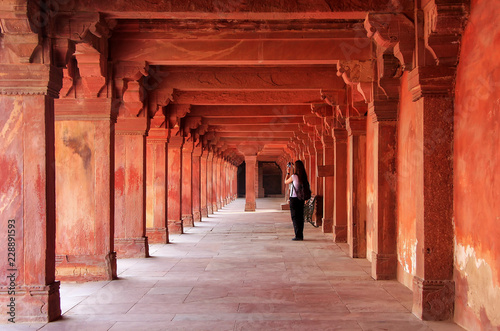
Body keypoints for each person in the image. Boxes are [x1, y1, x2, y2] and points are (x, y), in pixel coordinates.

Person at [284, 160, 310, 241]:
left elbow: (286, 182)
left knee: (295, 217)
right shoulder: (304, 176)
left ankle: (298, 235)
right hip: (301, 199)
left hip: (294, 199)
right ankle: (300, 234)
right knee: (300, 217)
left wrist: (288, 172)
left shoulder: (294, 176)